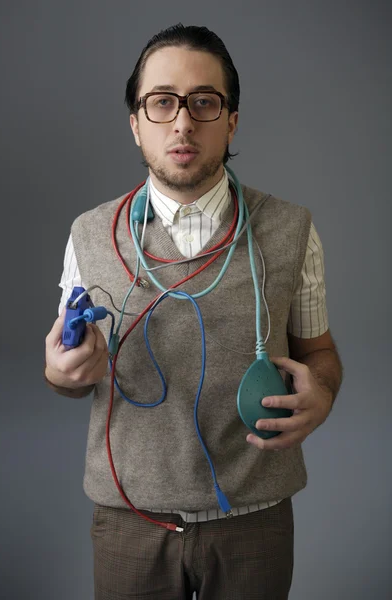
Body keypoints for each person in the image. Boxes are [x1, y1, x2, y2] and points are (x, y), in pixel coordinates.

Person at [44, 23, 343, 600]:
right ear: (136, 124)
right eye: (162, 103)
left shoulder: (290, 230)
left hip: (254, 520)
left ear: (232, 121)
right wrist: (60, 372)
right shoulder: (89, 235)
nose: (183, 122)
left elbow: (319, 353)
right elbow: (66, 370)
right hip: (130, 521)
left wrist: (323, 393)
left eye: (204, 102)